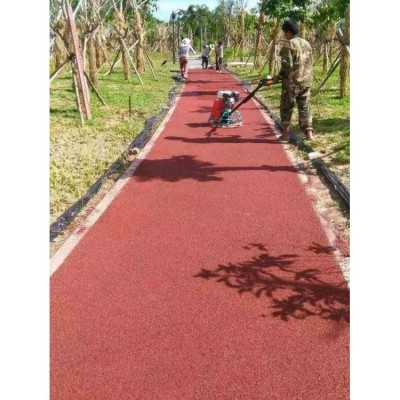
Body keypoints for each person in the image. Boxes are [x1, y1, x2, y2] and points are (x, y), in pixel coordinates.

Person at [271, 19, 314, 141]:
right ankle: (309, 134)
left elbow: (286, 65)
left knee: (286, 106)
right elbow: (310, 62)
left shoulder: (288, 44)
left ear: (288, 32)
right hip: (306, 81)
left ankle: (285, 134)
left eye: (284, 32)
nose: (284, 35)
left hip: (292, 83)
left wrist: (278, 77)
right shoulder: (307, 43)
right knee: (305, 107)